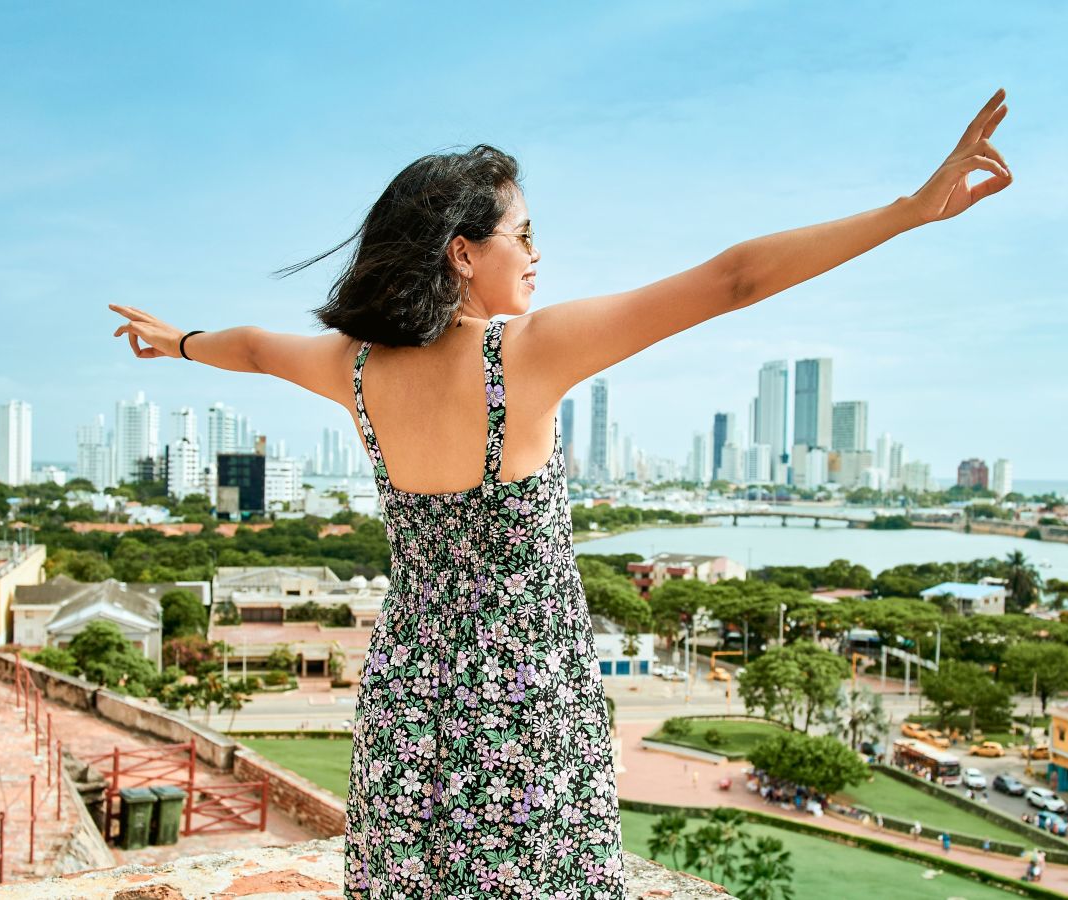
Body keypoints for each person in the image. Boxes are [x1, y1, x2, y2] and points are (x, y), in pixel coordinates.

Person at [107, 90, 1013, 899]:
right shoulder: (525, 354)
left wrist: (177, 341)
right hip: (527, 695)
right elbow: (732, 281)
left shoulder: (355, 368)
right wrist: (907, 212)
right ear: (463, 252)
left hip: (409, 690)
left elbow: (256, 347)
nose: (539, 254)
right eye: (524, 234)